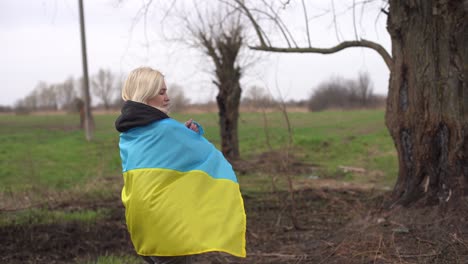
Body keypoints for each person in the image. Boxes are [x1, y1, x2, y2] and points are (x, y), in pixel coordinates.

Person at [114, 67, 246, 264]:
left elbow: (161, 160)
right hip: (166, 222)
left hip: (139, 218)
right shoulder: (165, 128)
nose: (167, 98)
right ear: (145, 94)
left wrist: (181, 133)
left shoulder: (129, 132)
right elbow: (199, 154)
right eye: (161, 92)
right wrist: (190, 135)